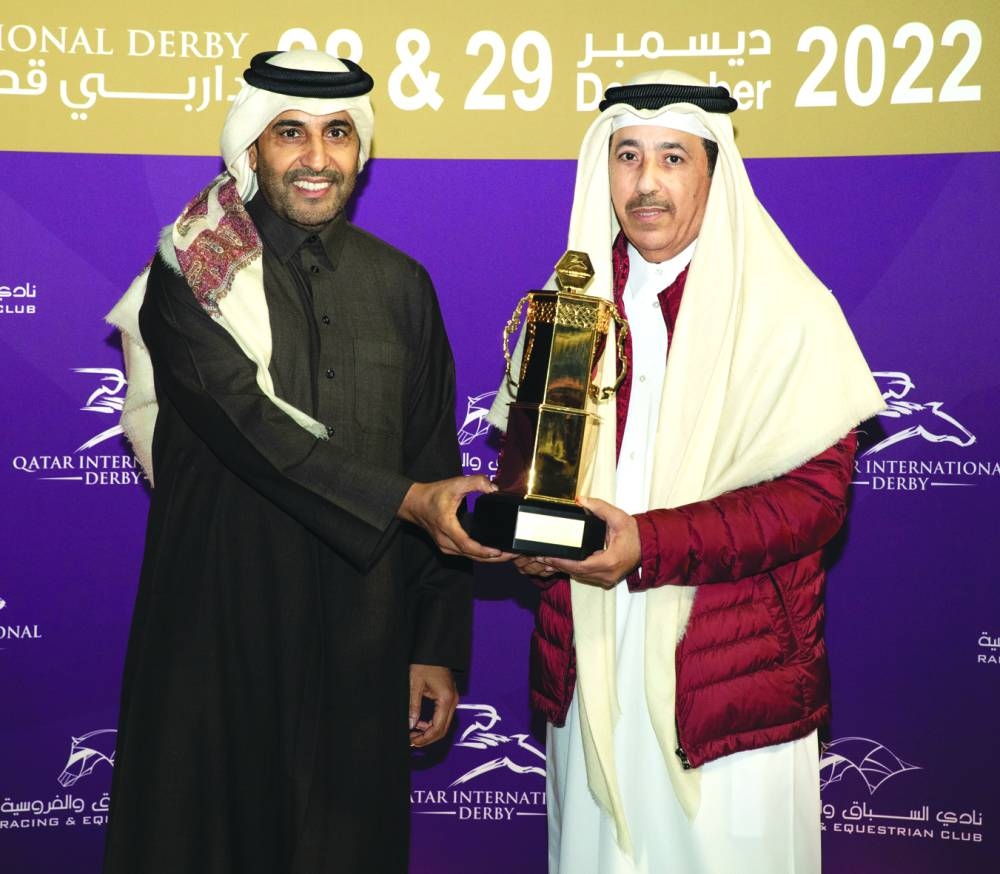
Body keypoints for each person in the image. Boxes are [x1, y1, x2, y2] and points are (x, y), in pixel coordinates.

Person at [104, 49, 500, 874]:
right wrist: (408, 502)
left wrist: (432, 645)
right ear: (252, 149)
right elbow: (248, 429)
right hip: (215, 633)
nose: (318, 159)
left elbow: (432, 454)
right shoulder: (192, 271)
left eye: (339, 135)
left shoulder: (403, 287)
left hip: (363, 640)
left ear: (362, 153)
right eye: (292, 133)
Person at [488, 71, 885, 873]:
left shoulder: (785, 309)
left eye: (673, 157)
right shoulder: (574, 308)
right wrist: (528, 540)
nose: (646, 181)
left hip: (731, 687)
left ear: (714, 171)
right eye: (627, 155)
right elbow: (530, 476)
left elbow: (811, 504)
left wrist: (649, 543)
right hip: (591, 664)